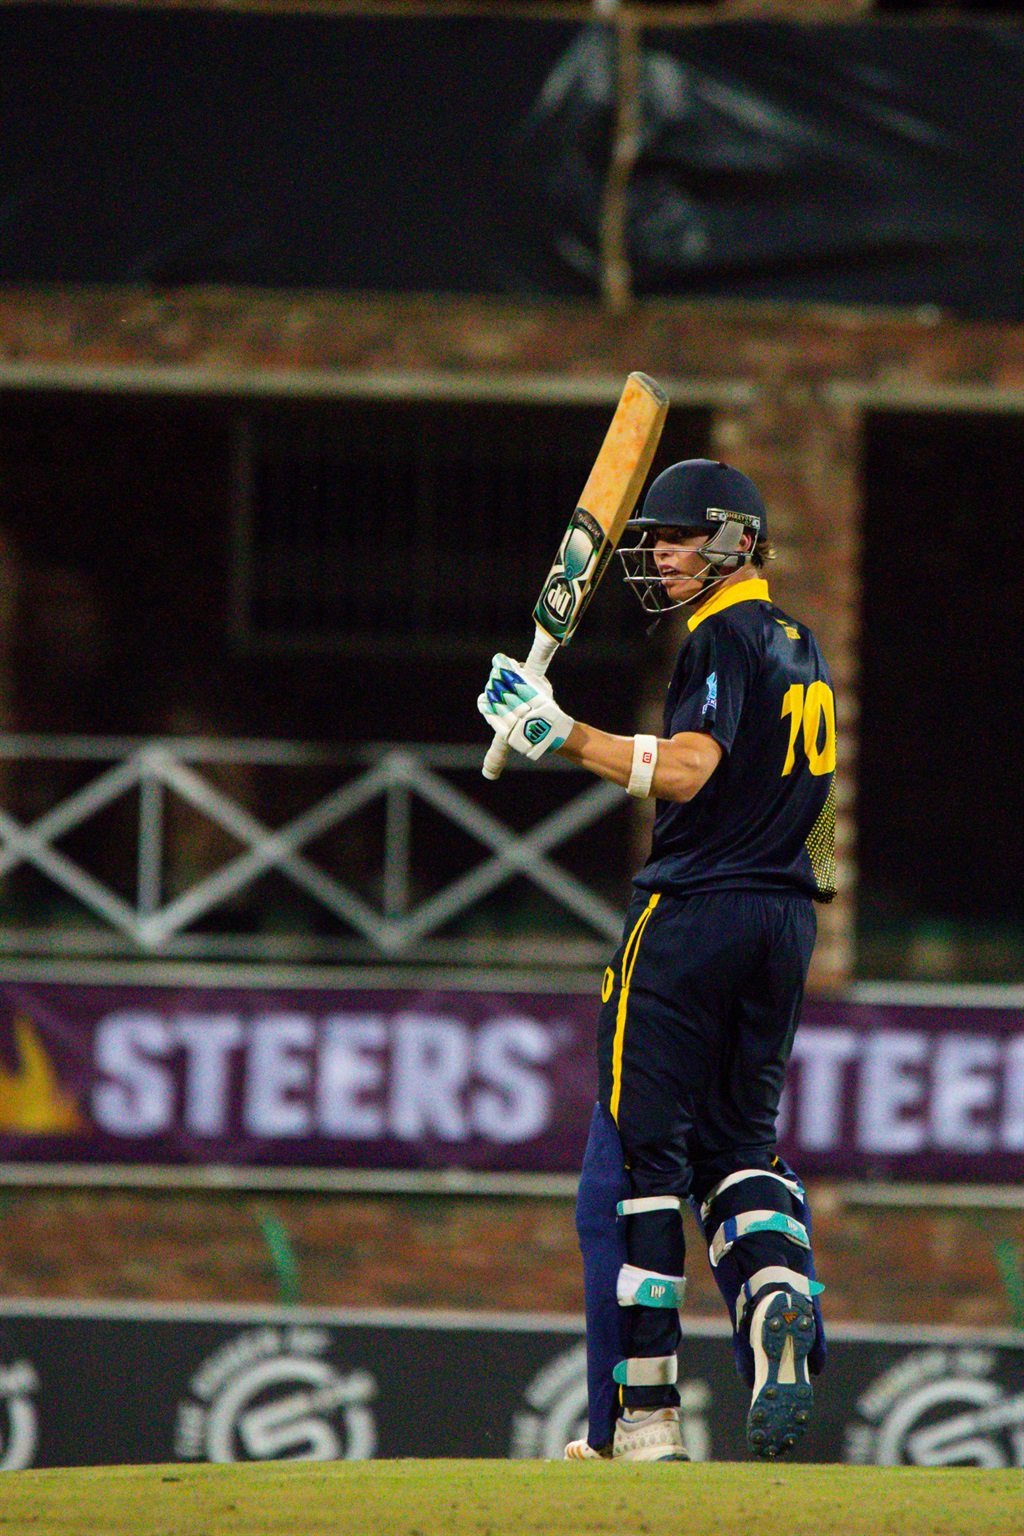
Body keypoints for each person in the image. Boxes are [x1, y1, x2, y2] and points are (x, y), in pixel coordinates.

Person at [478, 459, 835, 1464]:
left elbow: (688, 768)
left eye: (678, 538)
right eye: (657, 540)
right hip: (785, 923)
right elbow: (817, 827)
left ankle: (643, 1419)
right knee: (739, 1149)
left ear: (735, 541)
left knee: (645, 1160)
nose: (660, 555)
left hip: (691, 919)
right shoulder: (803, 650)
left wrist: (561, 734)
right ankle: (772, 1292)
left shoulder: (720, 637)